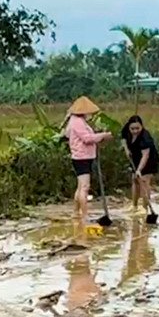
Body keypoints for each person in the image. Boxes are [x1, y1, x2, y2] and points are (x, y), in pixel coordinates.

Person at [62, 96, 111, 227]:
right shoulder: (77, 121)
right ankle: (84, 216)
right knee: (84, 187)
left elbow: (68, 135)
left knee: (80, 186)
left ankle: (75, 212)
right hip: (82, 157)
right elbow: (87, 138)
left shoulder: (75, 121)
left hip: (82, 156)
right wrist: (102, 136)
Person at [122, 114, 159, 218]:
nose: (135, 131)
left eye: (137, 128)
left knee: (143, 182)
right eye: (132, 128)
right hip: (135, 158)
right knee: (134, 180)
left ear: (142, 126)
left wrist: (139, 170)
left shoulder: (145, 137)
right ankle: (134, 206)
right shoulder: (126, 129)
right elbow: (123, 138)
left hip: (149, 161)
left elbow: (145, 155)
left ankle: (144, 208)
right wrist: (126, 149)